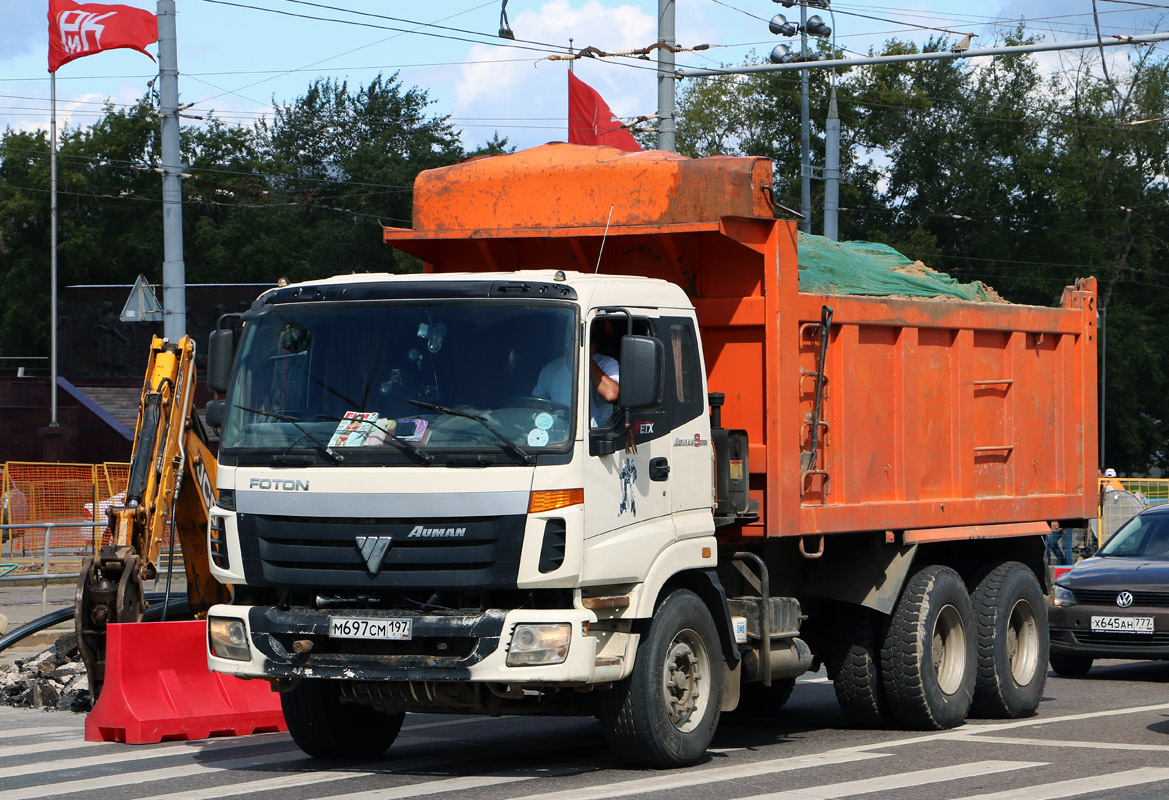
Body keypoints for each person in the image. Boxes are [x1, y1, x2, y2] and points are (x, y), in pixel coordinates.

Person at [533, 335, 619, 427]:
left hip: (596, 435)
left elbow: (610, 394)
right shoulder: (550, 369)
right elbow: (536, 405)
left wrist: (585, 357)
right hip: (560, 435)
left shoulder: (607, 363)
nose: (572, 342)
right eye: (569, 338)